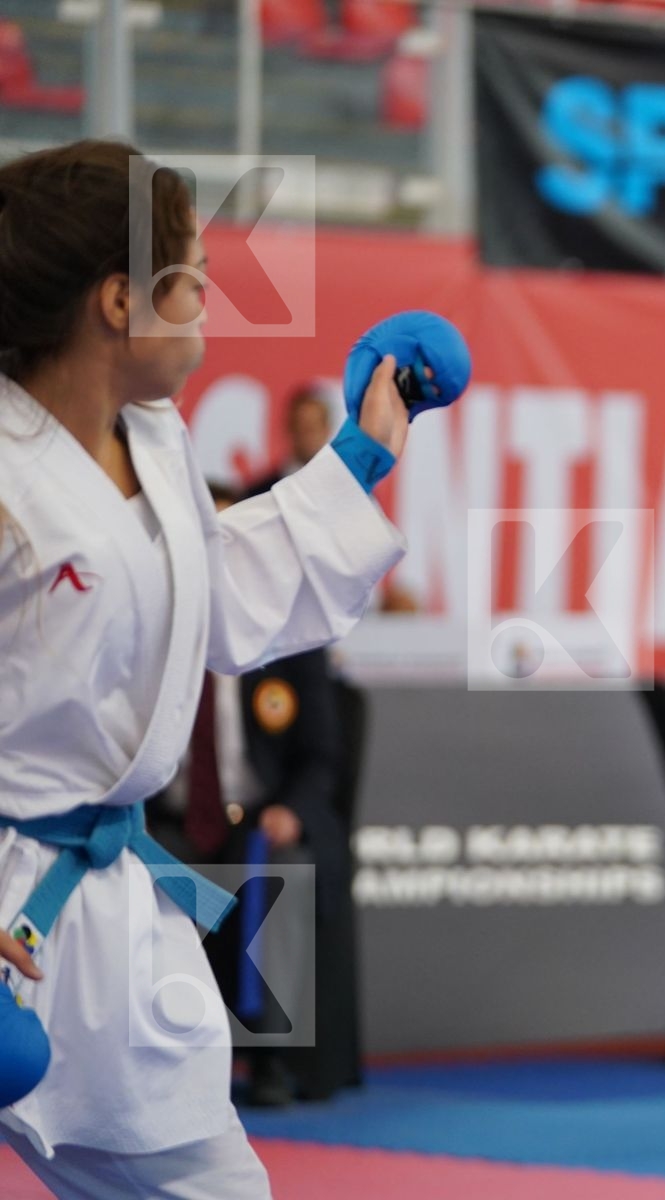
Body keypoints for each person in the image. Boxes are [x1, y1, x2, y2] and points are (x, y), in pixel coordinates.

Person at [0, 139, 432, 1196]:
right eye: (190, 277)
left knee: (211, 1182)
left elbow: (218, 597)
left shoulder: (151, 438)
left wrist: (362, 457)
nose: (209, 297)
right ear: (117, 301)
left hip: (99, 912)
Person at [142, 480, 356, 1109]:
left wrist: (293, 808)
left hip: (259, 819)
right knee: (130, 871)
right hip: (164, 817)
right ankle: (152, 1065)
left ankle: (269, 1059)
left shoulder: (290, 633)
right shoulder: (151, 626)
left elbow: (322, 753)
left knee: (280, 867)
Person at [243, 382, 334, 497]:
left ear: (327, 430)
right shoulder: (259, 492)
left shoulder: (343, 488)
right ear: (290, 428)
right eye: (302, 427)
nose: (308, 435)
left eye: (314, 427)